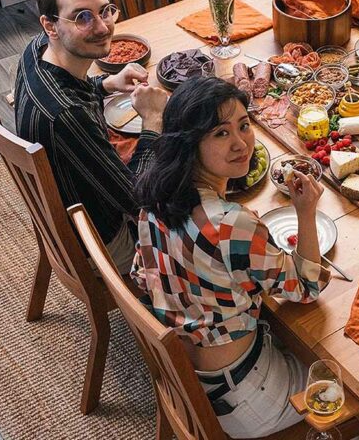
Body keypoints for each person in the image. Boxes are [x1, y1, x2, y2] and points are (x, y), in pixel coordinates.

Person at [132, 77, 329, 438]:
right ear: (190, 145)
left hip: (197, 376)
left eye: (243, 126)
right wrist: (306, 212)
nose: (242, 144)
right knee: (355, 383)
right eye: (221, 134)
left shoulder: (154, 194)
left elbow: (142, 273)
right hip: (248, 396)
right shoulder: (230, 224)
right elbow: (307, 287)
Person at [14, 0, 167, 273]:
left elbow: (71, 91)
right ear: (51, 24)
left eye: (105, 11)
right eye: (82, 17)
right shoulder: (68, 117)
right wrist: (152, 119)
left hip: (73, 200)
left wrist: (105, 84)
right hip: (102, 241)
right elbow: (139, 199)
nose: (102, 27)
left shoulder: (36, 50)